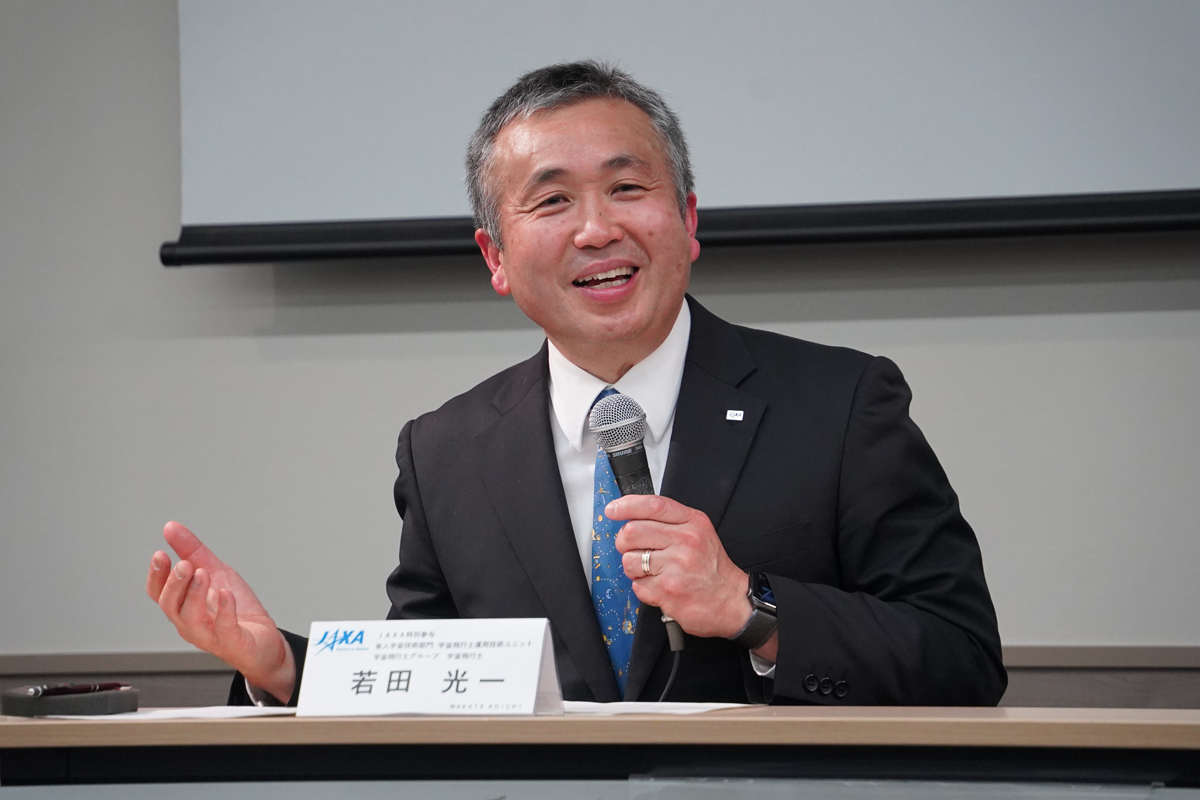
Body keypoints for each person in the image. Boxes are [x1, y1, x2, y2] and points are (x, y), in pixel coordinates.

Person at [147, 61, 1006, 707]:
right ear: (495, 256)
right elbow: (434, 682)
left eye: (628, 188)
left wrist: (753, 605)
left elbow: (964, 656)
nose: (598, 229)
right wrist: (282, 668)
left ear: (688, 220)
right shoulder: (448, 450)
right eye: (552, 203)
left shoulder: (841, 405)